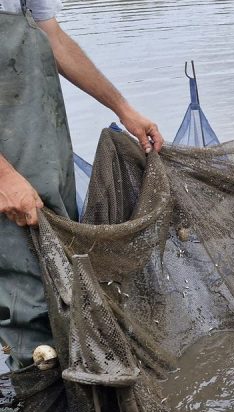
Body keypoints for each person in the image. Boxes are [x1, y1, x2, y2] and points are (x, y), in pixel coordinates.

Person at [0, 0, 163, 372]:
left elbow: (52, 36)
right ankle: (41, 406)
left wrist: (124, 109)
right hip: (6, 170)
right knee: (26, 301)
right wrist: (3, 177)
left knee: (64, 280)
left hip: (41, 152)